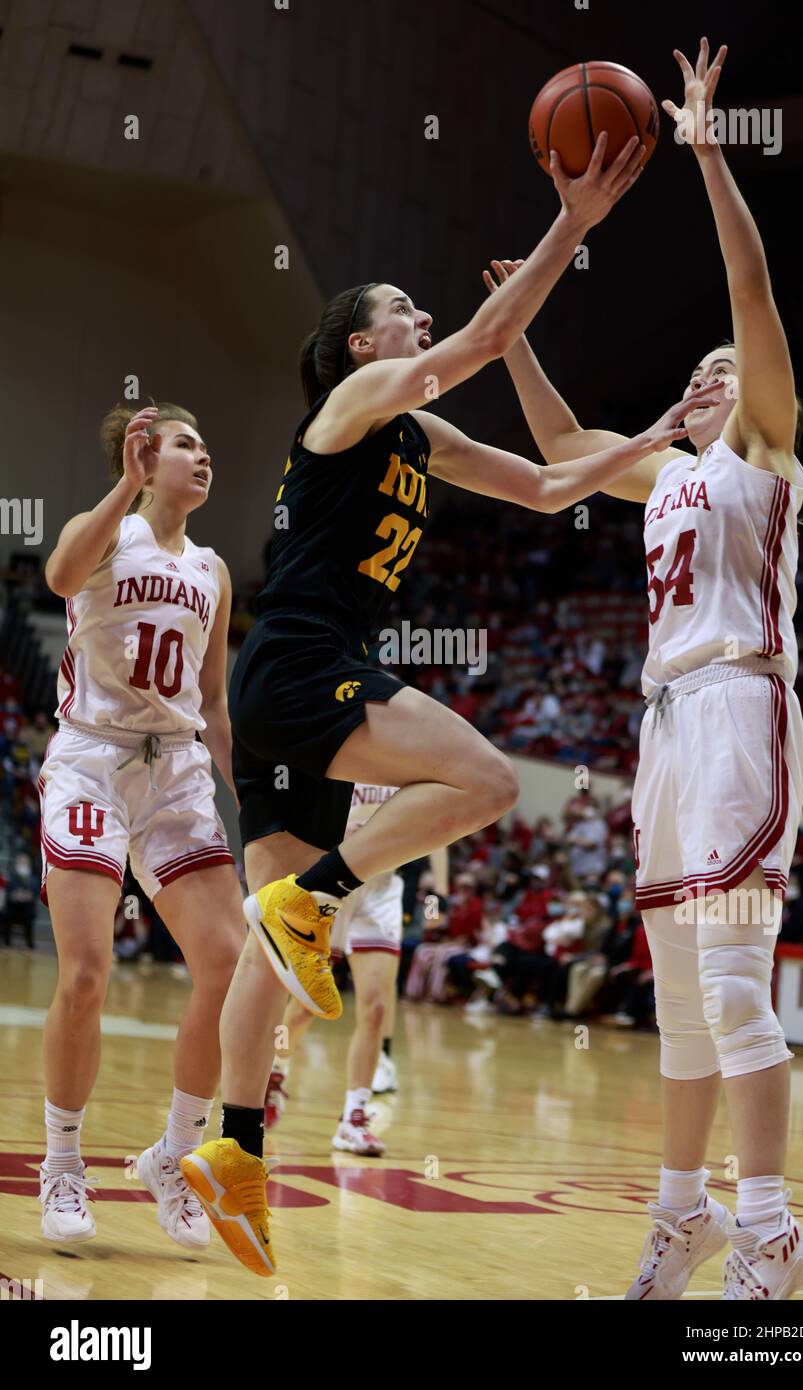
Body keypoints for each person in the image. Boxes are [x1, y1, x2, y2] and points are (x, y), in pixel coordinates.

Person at [180, 132, 722, 1277]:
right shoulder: (358, 400)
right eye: (403, 309)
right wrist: (571, 224)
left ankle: (231, 1149)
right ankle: (323, 897)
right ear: (359, 342)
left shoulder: (420, 434)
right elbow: (483, 338)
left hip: (282, 684)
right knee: (478, 781)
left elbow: (540, 486)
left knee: (265, 960)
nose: (422, 320)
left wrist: (661, 437)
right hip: (302, 661)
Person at [490, 38, 803, 1301]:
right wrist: (514, 338)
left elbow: (749, 286)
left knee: (737, 986)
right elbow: (567, 446)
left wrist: (705, 151)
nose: (705, 376)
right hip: (666, 733)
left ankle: (776, 1230)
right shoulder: (667, 473)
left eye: (719, 371)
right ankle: (683, 1217)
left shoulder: (767, 457)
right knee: (680, 1000)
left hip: (742, 708)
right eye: (693, 374)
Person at [38, 403, 245, 1250]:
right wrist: (121, 485)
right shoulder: (107, 534)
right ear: (145, 456)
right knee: (87, 973)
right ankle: (61, 1166)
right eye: (187, 445)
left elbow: (217, 699)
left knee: (227, 965)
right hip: (91, 756)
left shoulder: (213, 568)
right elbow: (56, 577)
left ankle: (175, 1154)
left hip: (176, 767)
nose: (203, 458)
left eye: (206, 445)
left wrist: (250, 802)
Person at [264, 784, 449, 1154]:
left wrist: (438, 893)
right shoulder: (348, 742)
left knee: (377, 1008)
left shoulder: (414, 754)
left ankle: (354, 1118)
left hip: (382, 887)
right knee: (306, 1005)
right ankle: (275, 1068)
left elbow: (440, 825)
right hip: (334, 878)